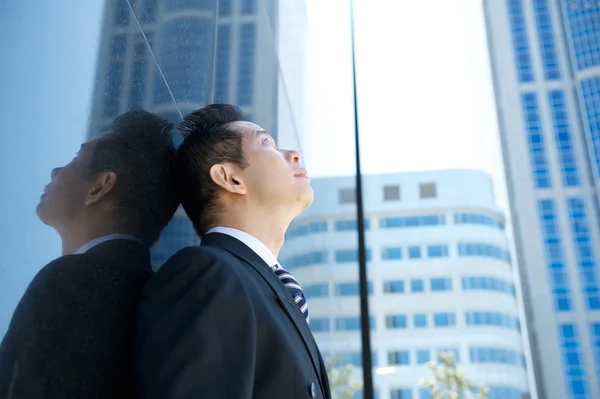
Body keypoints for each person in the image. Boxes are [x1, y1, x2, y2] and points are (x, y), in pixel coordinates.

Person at [134, 104, 331, 399]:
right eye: (267, 143)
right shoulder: (206, 274)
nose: (293, 154)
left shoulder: (265, 287)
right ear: (230, 178)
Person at [0, 110, 180, 399]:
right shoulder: (160, 298)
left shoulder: (70, 282)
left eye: (75, 158)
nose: (55, 171)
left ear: (99, 187)